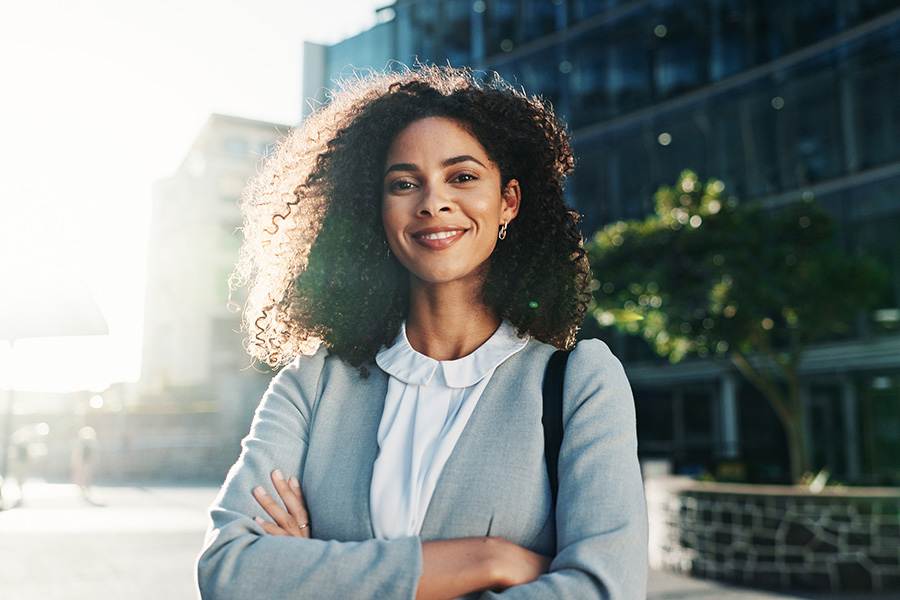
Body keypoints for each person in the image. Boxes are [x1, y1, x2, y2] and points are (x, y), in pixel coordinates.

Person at [197, 65, 647, 599]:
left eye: (462, 177)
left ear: (509, 201)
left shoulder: (580, 382)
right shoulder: (313, 382)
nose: (433, 202)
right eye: (404, 183)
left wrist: (316, 573)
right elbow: (230, 573)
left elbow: (604, 589)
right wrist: (488, 558)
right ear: (379, 211)